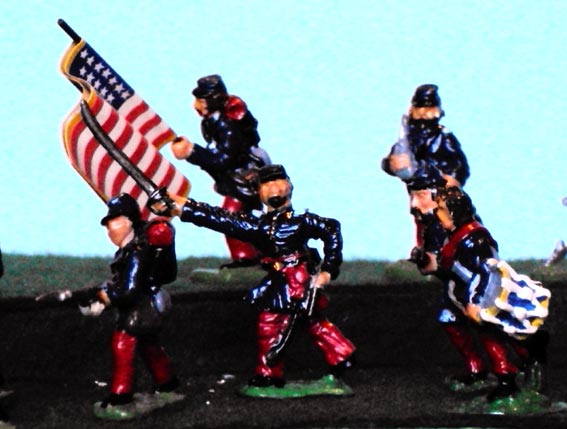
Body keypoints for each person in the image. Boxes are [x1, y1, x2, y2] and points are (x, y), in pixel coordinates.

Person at [160, 165, 356, 393]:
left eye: (278, 181)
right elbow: (219, 218)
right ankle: (329, 357)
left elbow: (331, 229)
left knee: (292, 322)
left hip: (299, 279)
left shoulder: (301, 221)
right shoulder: (258, 226)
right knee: (293, 324)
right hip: (279, 279)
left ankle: (278, 371)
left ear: (289, 185)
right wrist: (182, 206)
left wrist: (328, 270)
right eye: (266, 183)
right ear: (258, 192)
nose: (273, 187)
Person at [432, 186, 549, 406]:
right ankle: (480, 370)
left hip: (481, 298)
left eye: (440, 209)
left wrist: (476, 302)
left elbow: (488, 272)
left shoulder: (476, 239)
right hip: (458, 295)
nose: (436, 213)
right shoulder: (451, 235)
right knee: (453, 322)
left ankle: (509, 375)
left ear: (455, 212)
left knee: (494, 335)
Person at [80, 194, 183, 420]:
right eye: (109, 224)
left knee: (122, 345)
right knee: (150, 346)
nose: (110, 228)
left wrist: (105, 297)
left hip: (140, 308)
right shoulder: (129, 249)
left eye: (115, 221)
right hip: (146, 306)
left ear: (129, 222)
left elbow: (129, 291)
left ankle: (121, 396)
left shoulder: (136, 251)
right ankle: (167, 383)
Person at [170, 74, 271, 268]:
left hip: (245, 176)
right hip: (235, 178)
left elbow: (224, 159)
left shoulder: (228, 125)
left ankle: (248, 258)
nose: (195, 105)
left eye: (200, 101)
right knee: (238, 217)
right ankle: (252, 255)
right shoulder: (211, 122)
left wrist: (192, 152)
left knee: (231, 216)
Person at [382, 84, 470, 261]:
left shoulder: (443, 136)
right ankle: (427, 256)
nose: (424, 112)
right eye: (421, 107)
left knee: (449, 223)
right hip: (419, 191)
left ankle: (449, 255)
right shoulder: (409, 137)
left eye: (428, 107)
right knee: (423, 222)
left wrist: (450, 180)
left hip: (440, 190)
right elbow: (393, 159)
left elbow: (460, 166)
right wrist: (392, 164)